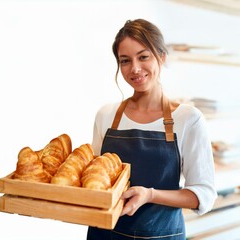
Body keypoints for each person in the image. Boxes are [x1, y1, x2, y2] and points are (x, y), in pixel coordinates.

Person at [87, 19, 217, 240]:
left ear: (162, 57)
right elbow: (94, 181)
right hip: (104, 234)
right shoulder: (106, 116)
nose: (135, 68)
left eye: (143, 56)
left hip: (161, 235)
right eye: (125, 60)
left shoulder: (188, 119)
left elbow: (203, 195)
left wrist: (150, 195)